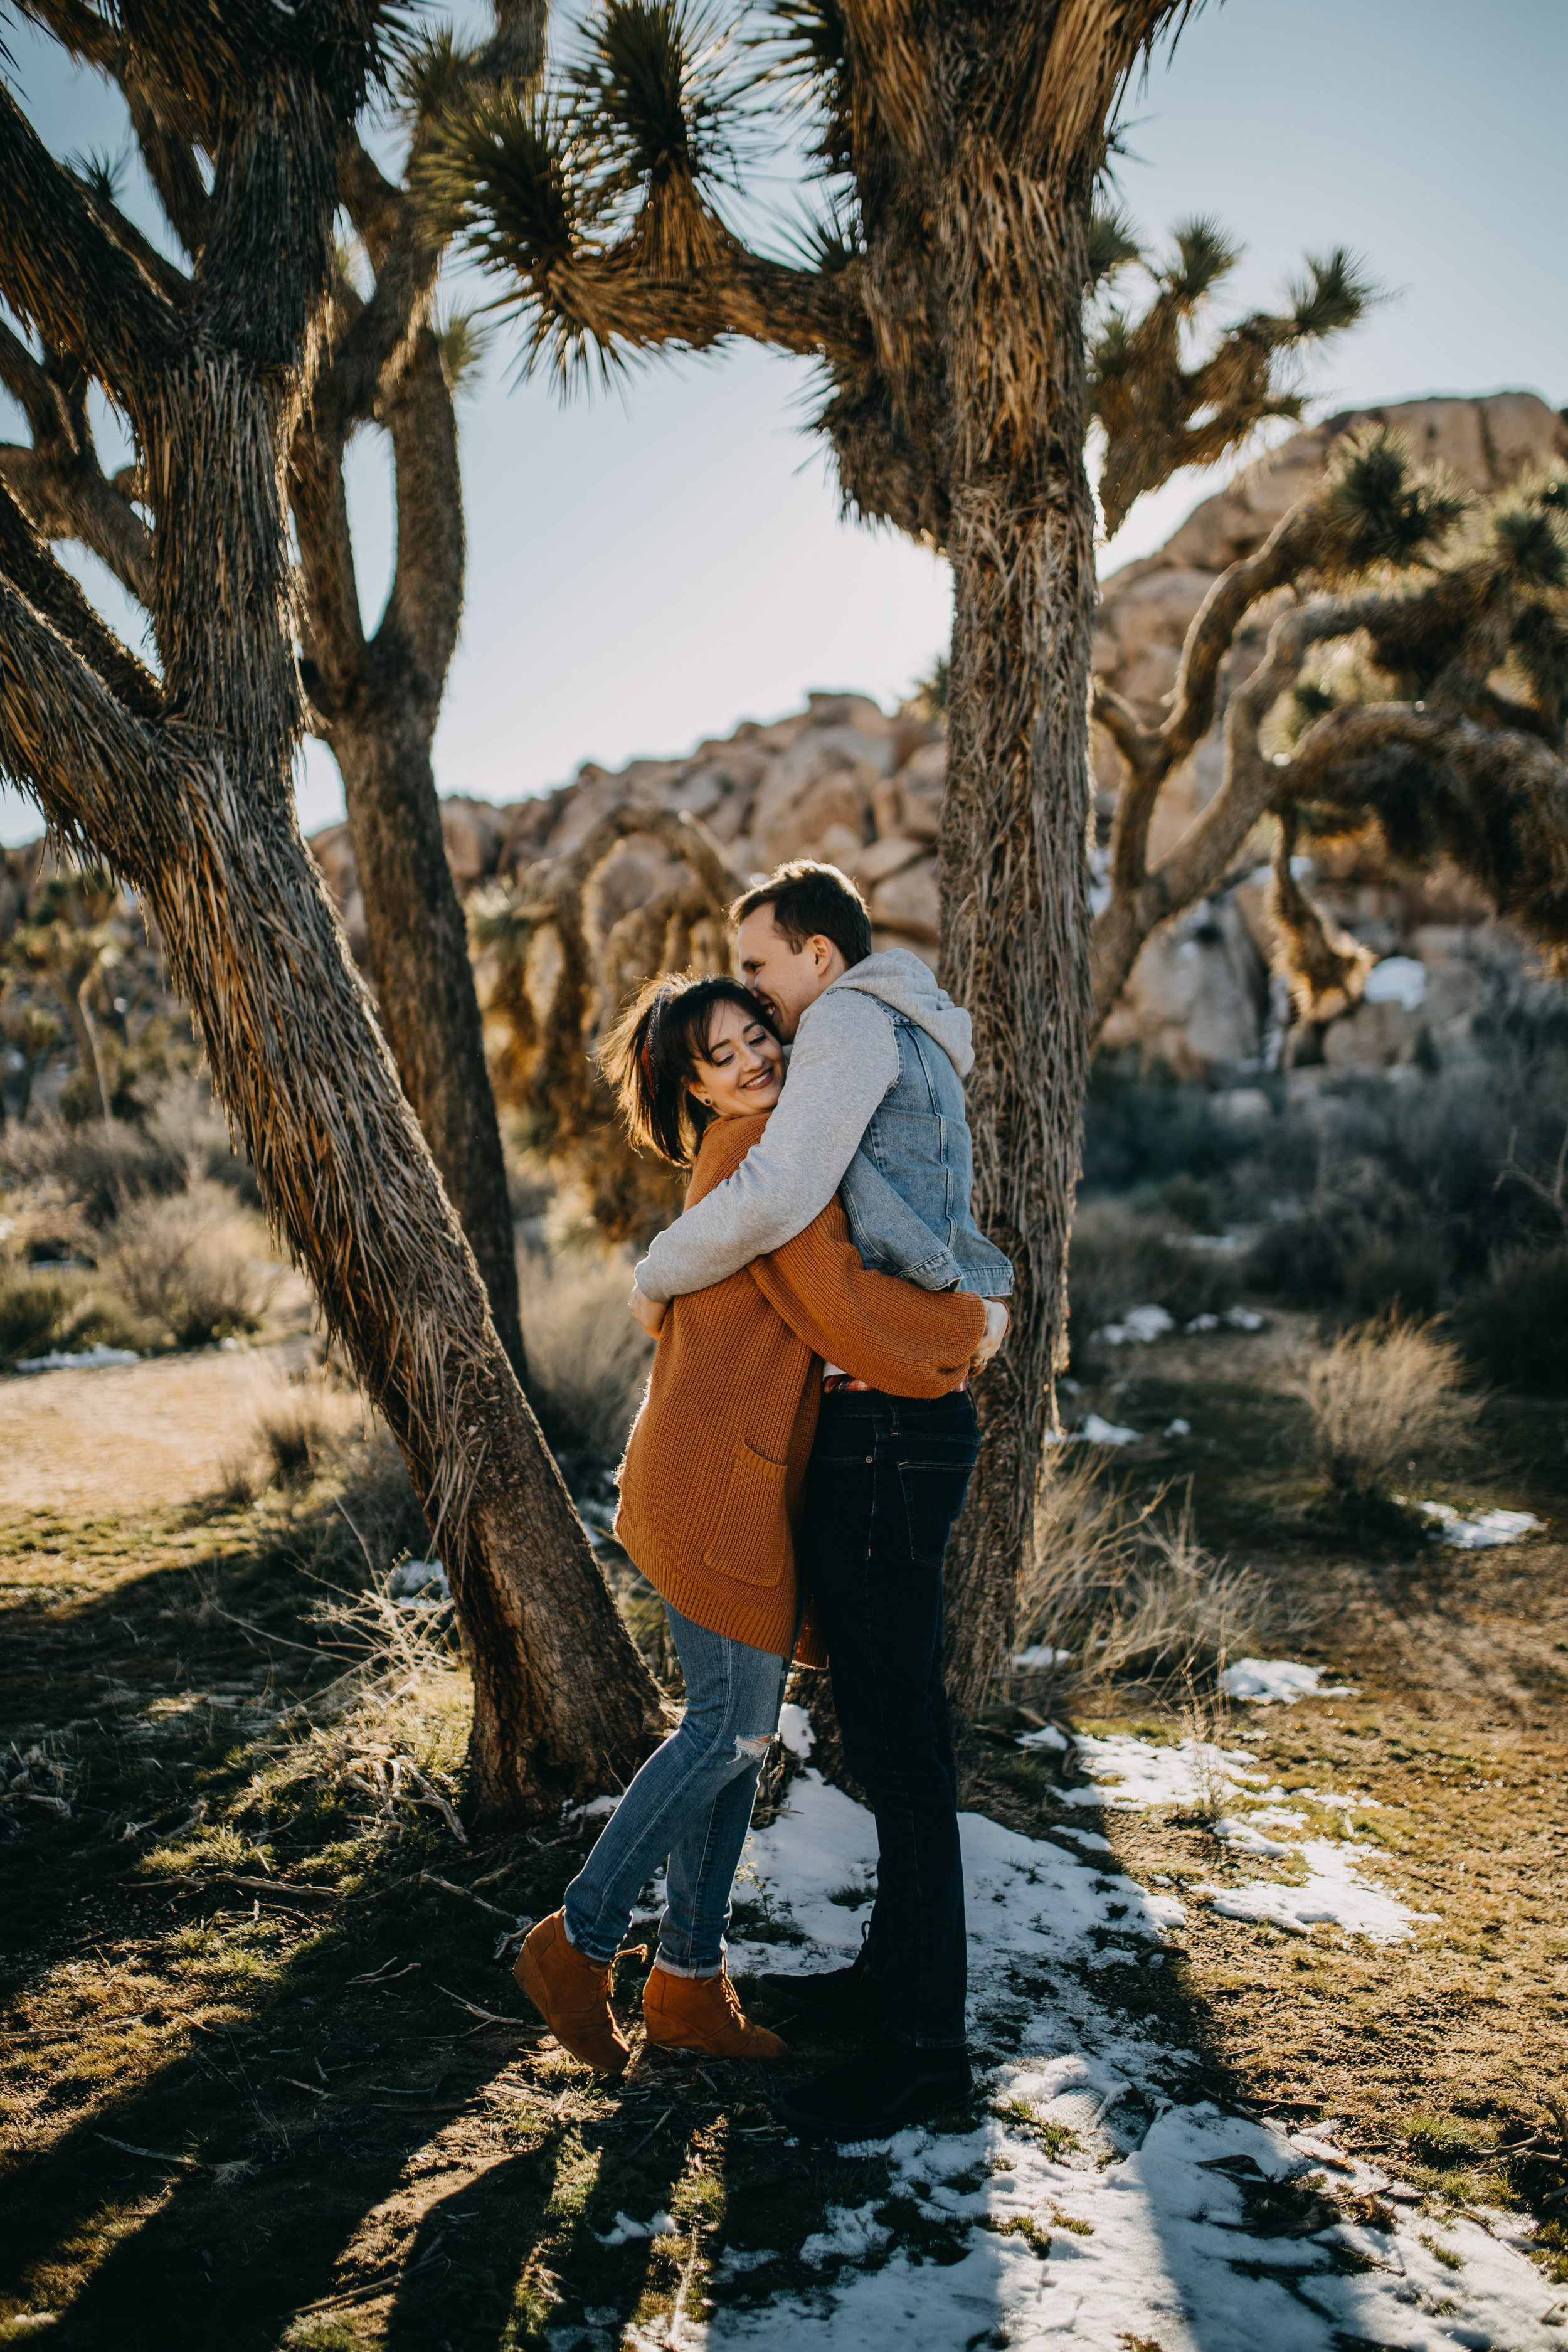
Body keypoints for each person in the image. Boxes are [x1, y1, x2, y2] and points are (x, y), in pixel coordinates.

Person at [511, 973, 987, 2080]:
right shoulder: (753, 1166)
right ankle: (576, 1942)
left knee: (739, 1740)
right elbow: (844, 1306)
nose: (757, 1059)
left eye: (759, 1035)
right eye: (723, 1055)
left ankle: (685, 1984)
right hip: (709, 1488)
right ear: (692, 1086)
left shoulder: (779, 1158)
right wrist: (972, 1324)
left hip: (742, 1487)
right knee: (724, 1732)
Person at [625, 863, 1014, 2143]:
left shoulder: (848, 1019)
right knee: (891, 1728)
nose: (754, 997)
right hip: (892, 1421)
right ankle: (890, 1987)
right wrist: (971, 1316)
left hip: (890, 1424)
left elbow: (783, 1199)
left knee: (900, 1745)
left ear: (816, 957)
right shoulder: (907, 1027)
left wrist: (656, 1273)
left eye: (759, 969)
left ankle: (923, 2053)